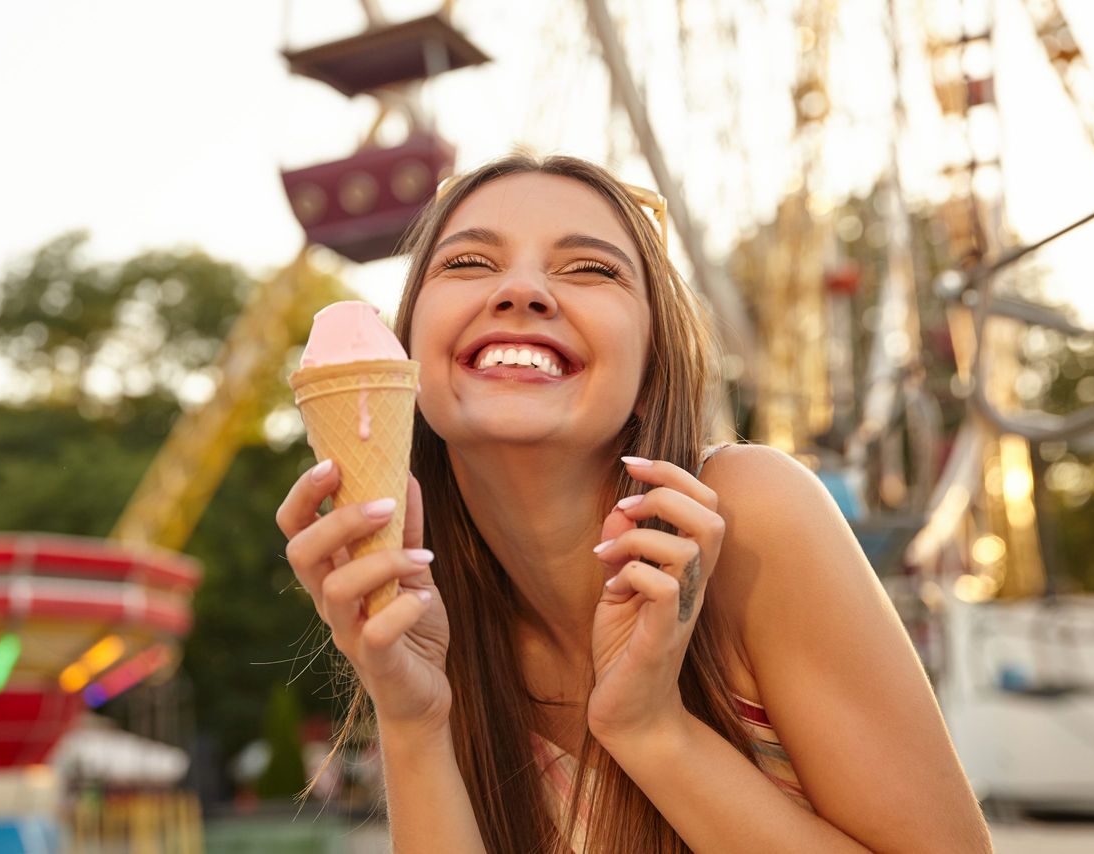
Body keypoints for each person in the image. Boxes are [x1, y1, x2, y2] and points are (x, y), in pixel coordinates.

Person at [276, 154, 993, 853]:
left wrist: (653, 729)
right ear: (405, 362)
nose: (522, 291)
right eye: (468, 264)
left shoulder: (751, 516)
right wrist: (412, 720)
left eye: (590, 269)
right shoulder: (435, 621)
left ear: (652, 371)